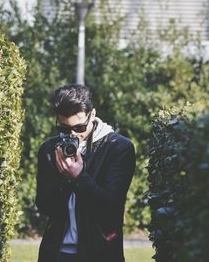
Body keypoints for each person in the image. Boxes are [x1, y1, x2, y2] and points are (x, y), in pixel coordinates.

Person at [36, 84, 136, 262]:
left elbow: (111, 207)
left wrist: (78, 177)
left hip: (100, 253)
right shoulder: (49, 149)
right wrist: (63, 177)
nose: (73, 134)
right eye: (64, 129)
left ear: (93, 114)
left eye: (80, 128)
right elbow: (44, 205)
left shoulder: (118, 147)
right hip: (57, 252)